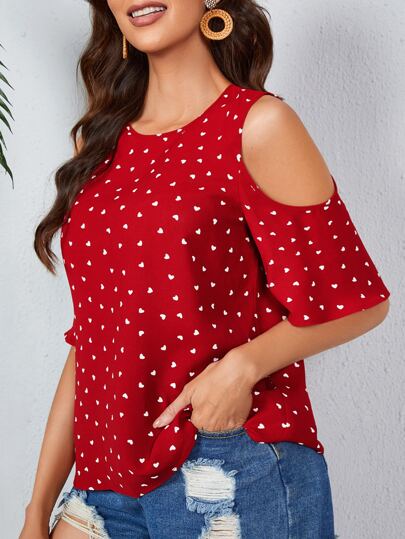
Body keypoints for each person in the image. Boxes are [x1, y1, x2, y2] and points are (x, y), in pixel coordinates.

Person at [20, 1, 391, 538]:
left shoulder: (257, 125)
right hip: (103, 480)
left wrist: (242, 366)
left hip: (229, 466)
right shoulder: (97, 146)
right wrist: (38, 507)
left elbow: (360, 301)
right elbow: (93, 334)